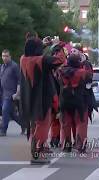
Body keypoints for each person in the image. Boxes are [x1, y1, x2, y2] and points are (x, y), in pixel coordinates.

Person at [20, 33, 66, 164]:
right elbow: (60, 60)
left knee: (35, 125)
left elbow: (33, 51)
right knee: (44, 125)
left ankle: (39, 149)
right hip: (42, 99)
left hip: (29, 99)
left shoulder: (23, 59)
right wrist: (57, 45)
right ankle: (37, 152)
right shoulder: (42, 60)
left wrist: (45, 44)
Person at [58, 54, 92, 153]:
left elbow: (57, 79)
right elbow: (89, 78)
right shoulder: (82, 72)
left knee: (65, 124)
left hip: (65, 100)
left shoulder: (61, 71)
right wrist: (85, 62)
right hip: (79, 100)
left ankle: (66, 145)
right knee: (81, 123)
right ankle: (80, 146)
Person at [0, 49, 25, 136]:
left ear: (10, 56)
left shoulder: (14, 66)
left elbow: (19, 80)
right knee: (11, 113)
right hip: (3, 94)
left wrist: (17, 93)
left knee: (5, 110)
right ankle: (25, 126)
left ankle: (3, 130)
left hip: (11, 94)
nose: (5, 58)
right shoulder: (2, 67)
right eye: (3, 56)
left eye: (6, 56)